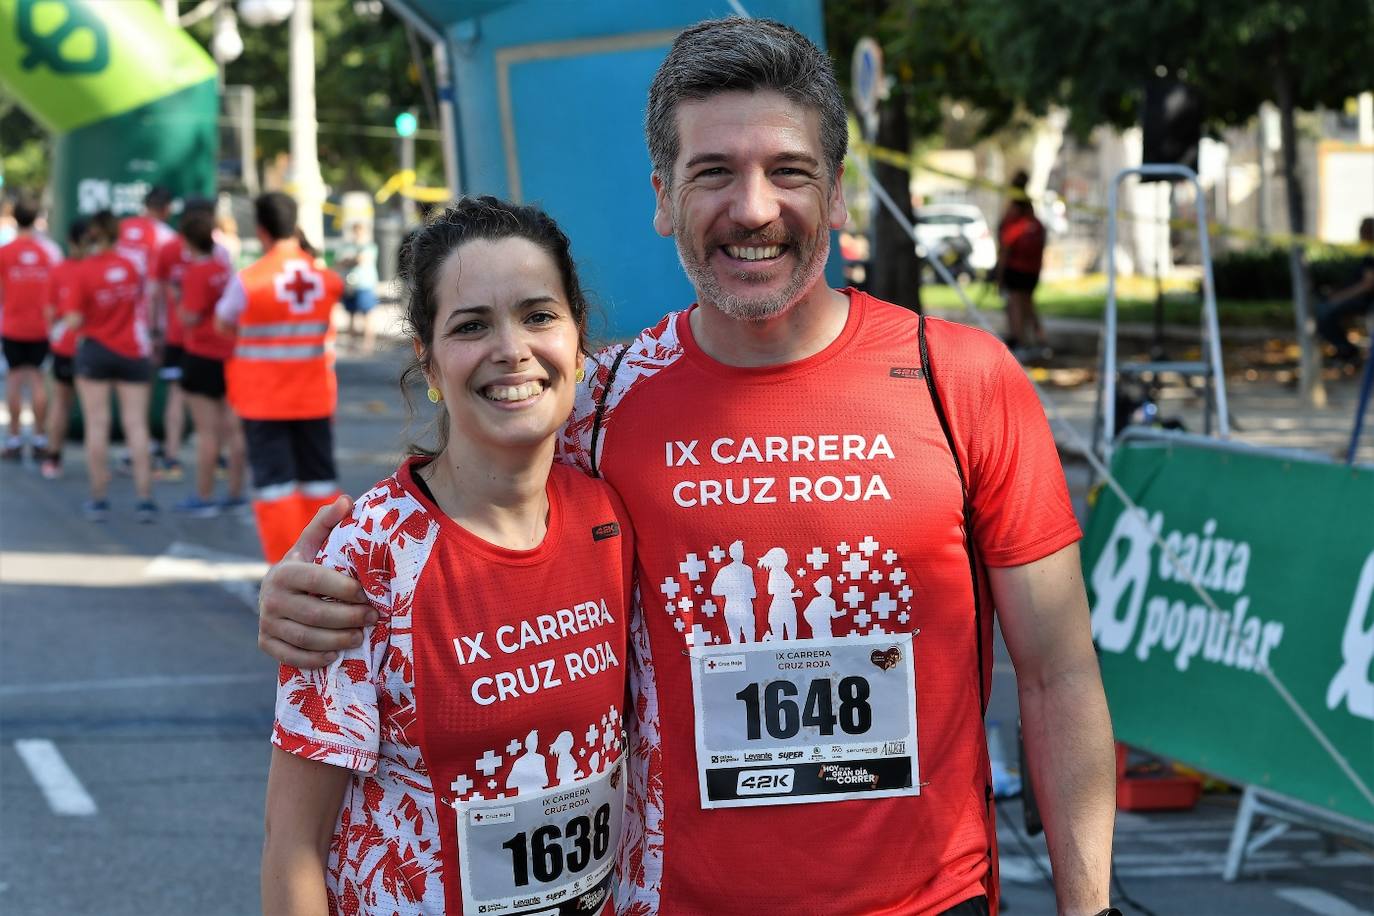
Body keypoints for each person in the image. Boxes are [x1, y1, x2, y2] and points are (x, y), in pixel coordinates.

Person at [257, 18, 1118, 916]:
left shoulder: (963, 380)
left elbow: (1058, 674)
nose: (752, 208)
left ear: (839, 197)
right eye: (714, 173)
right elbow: (463, 505)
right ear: (664, 198)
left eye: (789, 171)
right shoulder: (605, 398)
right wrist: (317, 589)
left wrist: (1086, 907)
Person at [261, 197, 633, 916]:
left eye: (538, 315)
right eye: (470, 326)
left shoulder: (610, 512)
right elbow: (292, 844)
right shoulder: (368, 559)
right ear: (427, 360)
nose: (512, 349)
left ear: (579, 337)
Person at [214, 192, 345, 562]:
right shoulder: (326, 280)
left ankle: (287, 566)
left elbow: (223, 322)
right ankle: (328, 562)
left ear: (260, 230)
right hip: (314, 399)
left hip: (263, 400)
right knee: (319, 483)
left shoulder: (249, 282)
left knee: (275, 488)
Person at [54, 210, 157, 522]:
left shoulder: (83, 271)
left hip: (95, 352)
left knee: (96, 424)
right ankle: (144, 499)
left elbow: (72, 320)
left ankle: (98, 498)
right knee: (136, 425)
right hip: (132, 350)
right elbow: (142, 304)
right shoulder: (131, 266)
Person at [175, 207, 246, 515]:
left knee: (207, 432)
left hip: (202, 354)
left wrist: (178, 308)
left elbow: (189, 316)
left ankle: (204, 496)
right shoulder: (223, 268)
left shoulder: (196, 272)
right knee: (233, 429)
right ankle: (235, 492)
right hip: (231, 353)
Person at [119, 186, 183, 476]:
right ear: (166, 208)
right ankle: (149, 450)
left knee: (132, 391)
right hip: (151, 324)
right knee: (151, 388)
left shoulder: (121, 229)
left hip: (118, 321)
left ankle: (139, 448)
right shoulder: (166, 237)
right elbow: (160, 289)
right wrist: (158, 329)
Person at [0, 194, 62, 460]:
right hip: (41, 327)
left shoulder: (5, 252)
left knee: (14, 380)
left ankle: (14, 439)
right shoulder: (50, 252)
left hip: (12, 325)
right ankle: (39, 438)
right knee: (38, 381)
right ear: (37, 218)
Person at [40, 217, 89, 480]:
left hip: (67, 347)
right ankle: (96, 466)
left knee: (60, 402)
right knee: (95, 410)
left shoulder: (59, 270)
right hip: (92, 347)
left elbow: (49, 312)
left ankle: (53, 457)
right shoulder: (97, 269)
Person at [994, 170, 1049, 361]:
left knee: (1015, 306)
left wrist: (999, 276)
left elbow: (1005, 250)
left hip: (1016, 268)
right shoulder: (1033, 219)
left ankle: (1021, 343)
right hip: (1031, 270)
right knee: (1028, 305)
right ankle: (1040, 341)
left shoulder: (1014, 221)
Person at [1316, 216, 1374, 369]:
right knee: (1322, 307)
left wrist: (1339, 297)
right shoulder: (1367, 253)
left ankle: (1347, 351)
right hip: (1358, 298)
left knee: (1324, 311)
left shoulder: (1371, 256)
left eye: (1363, 232)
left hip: (1364, 301)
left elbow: (1367, 285)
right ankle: (1346, 350)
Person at [335, 220, 380, 355]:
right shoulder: (347, 246)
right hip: (350, 285)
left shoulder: (369, 246)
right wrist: (351, 260)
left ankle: (368, 345)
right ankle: (351, 344)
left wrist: (350, 260)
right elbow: (339, 262)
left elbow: (361, 259)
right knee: (351, 316)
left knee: (367, 315)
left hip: (365, 284)